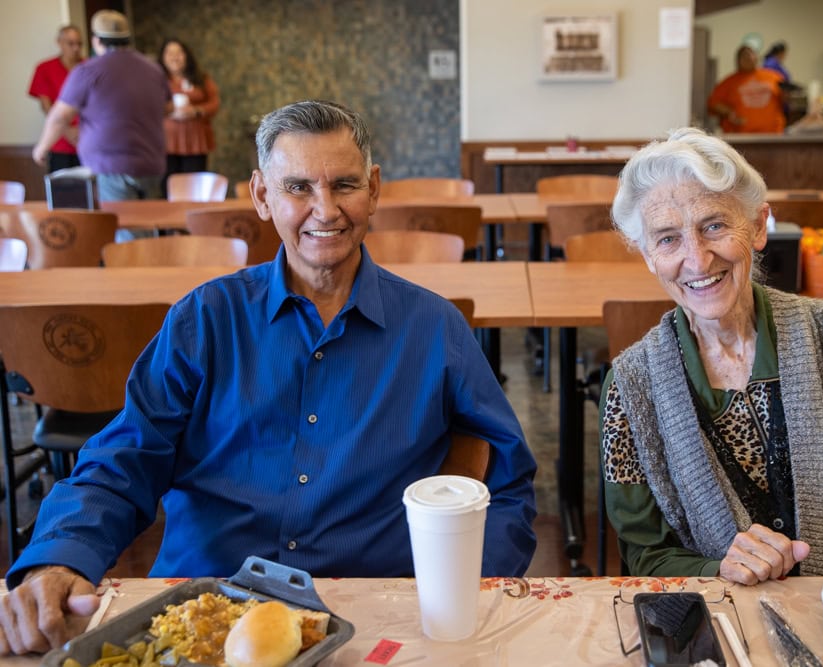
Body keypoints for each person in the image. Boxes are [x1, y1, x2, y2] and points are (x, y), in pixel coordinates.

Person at [0, 100, 537, 656]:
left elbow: (508, 481)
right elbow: (125, 457)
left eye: (345, 185)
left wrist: (466, 588)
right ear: (261, 196)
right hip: (202, 611)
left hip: (374, 615)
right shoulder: (205, 318)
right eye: (298, 187)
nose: (325, 209)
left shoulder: (434, 327)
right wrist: (60, 557)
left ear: (374, 189)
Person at [600, 128, 823, 584]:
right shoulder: (628, 388)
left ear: (759, 226)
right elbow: (647, 555)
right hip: (720, 613)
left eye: (714, 226)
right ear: (648, 256)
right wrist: (717, 569)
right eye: (667, 239)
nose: (697, 260)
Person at [31, 10, 170, 201]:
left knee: (121, 219)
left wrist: (41, 148)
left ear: (96, 41)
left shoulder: (88, 71)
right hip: (152, 164)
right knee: (149, 217)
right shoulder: (153, 69)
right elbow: (168, 108)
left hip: (111, 167)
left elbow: (60, 116)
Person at [159, 38, 221, 178]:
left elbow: (214, 103)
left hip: (195, 142)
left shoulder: (200, 78)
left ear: (187, 55)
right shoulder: (157, 80)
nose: (175, 57)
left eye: (179, 53)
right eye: (170, 53)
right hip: (167, 142)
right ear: (163, 57)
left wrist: (196, 111)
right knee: (168, 183)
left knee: (195, 182)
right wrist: (169, 111)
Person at [27, 25, 84, 173]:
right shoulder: (44, 68)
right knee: (62, 184)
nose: (76, 48)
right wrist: (66, 131)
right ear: (59, 43)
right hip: (59, 142)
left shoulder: (89, 67)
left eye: (79, 43)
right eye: (71, 43)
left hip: (87, 140)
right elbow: (46, 106)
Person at [708, 45, 786, 134]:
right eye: (744, 56)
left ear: (756, 57)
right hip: (741, 135)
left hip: (773, 134)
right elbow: (713, 103)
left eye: (751, 54)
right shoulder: (729, 82)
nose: (748, 58)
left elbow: (787, 99)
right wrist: (730, 113)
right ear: (738, 61)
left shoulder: (774, 77)